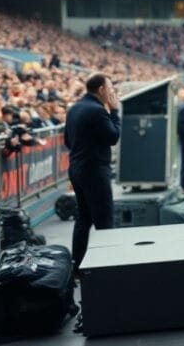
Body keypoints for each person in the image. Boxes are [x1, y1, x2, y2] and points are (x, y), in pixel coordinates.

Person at [64, 73, 121, 268]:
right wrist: (114, 112)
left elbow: (66, 141)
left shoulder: (74, 108)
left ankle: (77, 266)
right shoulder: (97, 110)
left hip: (77, 169)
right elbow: (113, 136)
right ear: (101, 89)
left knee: (84, 218)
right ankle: (108, 267)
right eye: (111, 89)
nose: (113, 93)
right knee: (104, 219)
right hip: (94, 171)